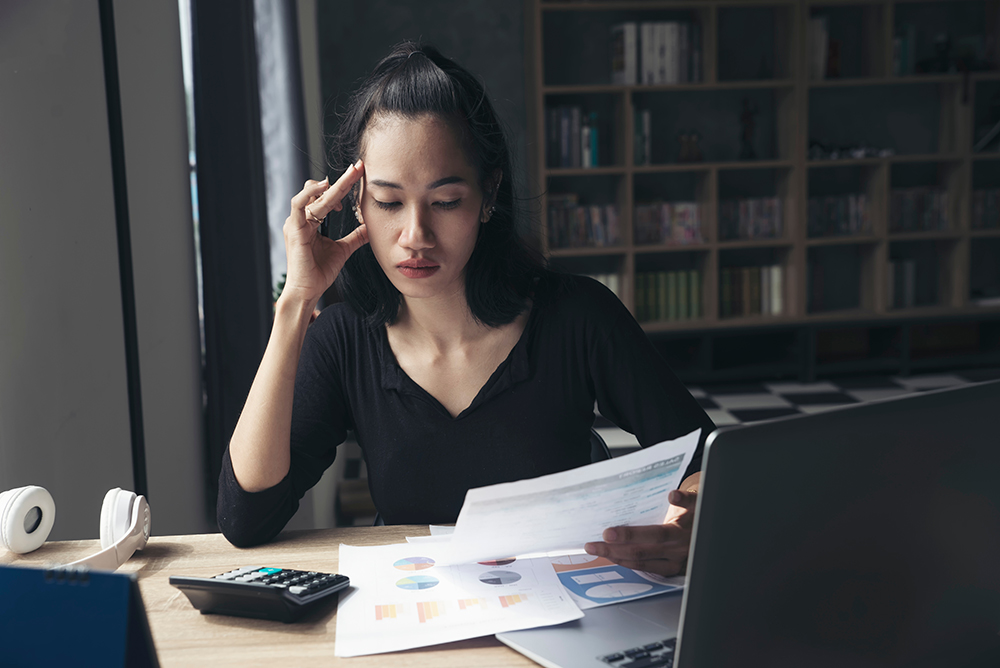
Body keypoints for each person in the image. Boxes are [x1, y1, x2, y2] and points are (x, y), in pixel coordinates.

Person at [217, 42, 714, 576]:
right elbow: (247, 518)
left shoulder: (578, 316)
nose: (415, 236)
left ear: (489, 193)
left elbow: (707, 458)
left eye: (446, 201)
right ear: (355, 201)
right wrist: (297, 301)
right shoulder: (344, 341)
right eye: (387, 202)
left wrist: (696, 518)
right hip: (420, 629)